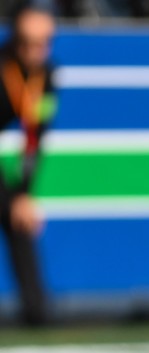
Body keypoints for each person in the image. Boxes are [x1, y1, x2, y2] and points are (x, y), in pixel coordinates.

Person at [0, 1, 55, 327]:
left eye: (44, 43)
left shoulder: (45, 74)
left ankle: (38, 314)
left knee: (20, 216)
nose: (38, 51)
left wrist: (25, 193)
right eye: (29, 43)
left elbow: (35, 136)